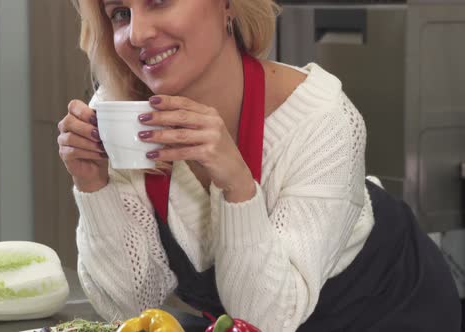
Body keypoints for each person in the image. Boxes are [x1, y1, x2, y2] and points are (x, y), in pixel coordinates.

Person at [57, 0, 462, 331]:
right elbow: (129, 306)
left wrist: (237, 185)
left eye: (159, 1)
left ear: (227, 5)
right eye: (120, 14)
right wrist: (94, 186)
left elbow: (265, 320)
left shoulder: (322, 119)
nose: (138, 33)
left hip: (386, 310)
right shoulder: (121, 114)